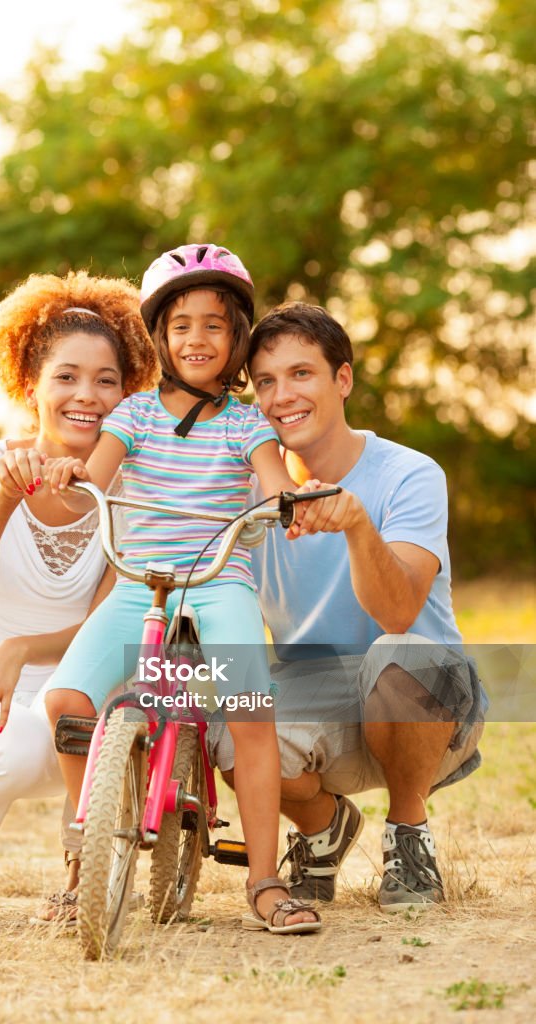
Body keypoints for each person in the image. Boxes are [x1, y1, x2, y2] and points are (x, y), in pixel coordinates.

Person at [42, 243, 321, 934]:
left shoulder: (246, 423)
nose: (197, 338)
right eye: (182, 325)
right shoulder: (133, 416)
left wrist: (292, 498)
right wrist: (71, 476)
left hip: (218, 581)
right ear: (161, 338)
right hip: (143, 584)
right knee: (68, 699)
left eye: (215, 325)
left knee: (252, 711)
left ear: (236, 340)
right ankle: (84, 865)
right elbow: (97, 476)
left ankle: (263, 881)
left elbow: (273, 477)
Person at [207, 301, 486, 913]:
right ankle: (322, 828)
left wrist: (358, 524)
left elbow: (400, 613)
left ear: (343, 379)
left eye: (302, 374)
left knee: (399, 655)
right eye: (267, 382)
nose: (283, 396)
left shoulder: (410, 474)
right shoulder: (246, 492)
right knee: (232, 728)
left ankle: (407, 833)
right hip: (317, 691)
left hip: (425, 695)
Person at [0, 270, 159, 920]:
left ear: (128, 395)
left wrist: (21, 648)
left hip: (69, 715)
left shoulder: (130, 493)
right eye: (67, 377)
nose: (88, 396)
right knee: (16, 742)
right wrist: (5, 497)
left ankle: (82, 866)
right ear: (29, 386)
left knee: (79, 725)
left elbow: (109, 621)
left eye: (108, 381)